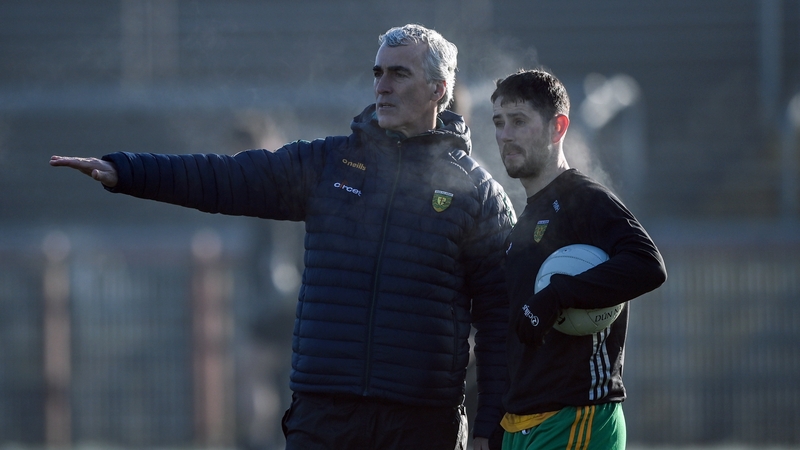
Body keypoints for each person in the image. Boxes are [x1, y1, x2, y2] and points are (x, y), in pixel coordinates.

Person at [50, 24, 514, 450]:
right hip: (324, 415)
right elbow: (225, 178)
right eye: (377, 72)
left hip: (421, 424)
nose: (381, 85)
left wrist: (488, 429)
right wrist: (126, 171)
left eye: (398, 73)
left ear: (438, 89)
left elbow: (499, 324)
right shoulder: (328, 165)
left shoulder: (478, 195)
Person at [489, 68, 667, 450]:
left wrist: (558, 295)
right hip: (520, 422)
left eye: (519, 121)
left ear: (558, 128)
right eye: (499, 123)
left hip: (578, 416)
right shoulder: (524, 221)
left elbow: (648, 265)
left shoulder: (584, 199)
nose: (505, 135)